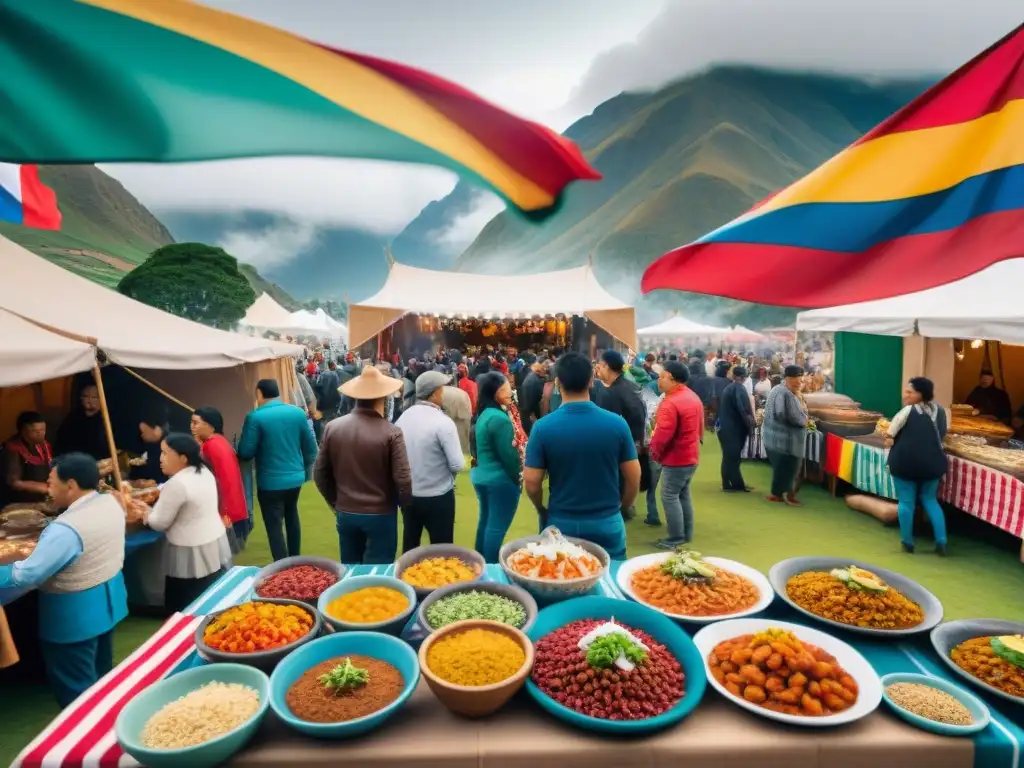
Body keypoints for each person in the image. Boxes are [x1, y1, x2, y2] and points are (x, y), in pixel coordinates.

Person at [0, 453, 127, 706]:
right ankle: (107, 725)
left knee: (76, 693)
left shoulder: (66, 529)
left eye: (51, 482)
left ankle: (87, 739)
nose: (48, 488)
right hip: (107, 604)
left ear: (71, 485)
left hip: (74, 618)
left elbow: (29, 574)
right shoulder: (111, 503)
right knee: (100, 678)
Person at [523, 352, 639, 559]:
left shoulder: (542, 428)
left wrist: (541, 508)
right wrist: (623, 507)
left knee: (563, 580)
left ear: (558, 383)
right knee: (610, 579)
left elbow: (531, 482)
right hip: (607, 520)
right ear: (591, 381)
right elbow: (633, 476)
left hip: (562, 521)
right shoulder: (617, 424)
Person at [313, 366, 412, 563]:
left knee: (350, 570)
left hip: (347, 513)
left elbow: (320, 474)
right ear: (382, 398)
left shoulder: (333, 427)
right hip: (381, 514)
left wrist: (337, 502)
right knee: (378, 573)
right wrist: (403, 503)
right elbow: (403, 479)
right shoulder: (391, 432)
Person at [141, 434, 232, 612]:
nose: (161, 458)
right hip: (212, 541)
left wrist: (145, 513)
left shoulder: (177, 484)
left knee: (186, 604)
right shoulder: (204, 472)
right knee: (211, 594)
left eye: (165, 453)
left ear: (183, 458)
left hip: (188, 551)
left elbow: (159, 523)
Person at [236, 379, 318, 561]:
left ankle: (282, 567)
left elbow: (245, 452)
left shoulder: (255, 417)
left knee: (274, 525)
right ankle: (295, 560)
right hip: (295, 478)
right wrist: (303, 471)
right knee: (291, 515)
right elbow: (311, 449)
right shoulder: (297, 413)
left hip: (270, 482)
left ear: (259, 394)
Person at [395, 371, 465, 552]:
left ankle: (406, 580)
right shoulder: (443, 422)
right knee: (442, 550)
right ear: (434, 394)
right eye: (442, 390)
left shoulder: (403, 417)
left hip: (409, 495)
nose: (444, 394)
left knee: (410, 546)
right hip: (438, 496)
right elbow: (457, 464)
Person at [886, 377, 949, 555]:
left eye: (910, 392)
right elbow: (942, 433)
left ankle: (908, 542)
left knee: (906, 501)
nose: (906, 395)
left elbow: (890, 433)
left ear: (921, 394)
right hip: (933, 463)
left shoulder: (907, 411)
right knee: (930, 500)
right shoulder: (941, 410)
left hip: (906, 463)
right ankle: (941, 541)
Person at [649, 362, 704, 549]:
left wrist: (654, 452)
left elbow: (662, 433)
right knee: (682, 494)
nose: (659, 379)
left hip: (676, 458)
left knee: (669, 495)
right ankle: (685, 533)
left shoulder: (670, 402)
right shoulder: (692, 396)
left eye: (663, 376)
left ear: (672, 378)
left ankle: (675, 537)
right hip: (691, 455)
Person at [471, 373, 525, 561]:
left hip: (483, 476)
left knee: (486, 523)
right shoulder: (499, 419)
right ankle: (491, 567)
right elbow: (509, 457)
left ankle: (480, 563)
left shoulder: (485, 414)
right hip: (499, 481)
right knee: (496, 527)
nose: (511, 390)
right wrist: (518, 477)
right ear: (496, 392)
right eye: (506, 387)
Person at [595, 350, 646, 522]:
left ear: (607, 367)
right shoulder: (629, 386)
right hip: (633, 441)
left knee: (617, 478)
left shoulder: (611, 393)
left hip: (618, 444)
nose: (597, 369)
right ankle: (626, 508)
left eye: (600, 365)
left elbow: (607, 424)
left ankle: (620, 510)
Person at [191, 406, 250, 548]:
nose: (192, 427)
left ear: (209, 426)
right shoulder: (221, 442)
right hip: (236, 510)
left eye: (195, 423)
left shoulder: (209, 446)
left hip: (225, 513)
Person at [763, 365, 808, 506]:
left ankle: (776, 494)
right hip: (786, 441)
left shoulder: (777, 389)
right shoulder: (786, 394)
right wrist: (804, 421)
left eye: (800, 381)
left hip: (774, 439)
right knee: (790, 469)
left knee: (780, 469)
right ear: (787, 379)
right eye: (796, 380)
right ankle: (788, 496)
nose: (798, 383)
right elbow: (788, 416)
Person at [717, 366, 756, 492]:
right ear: (744, 377)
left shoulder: (730, 387)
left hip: (726, 427)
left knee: (729, 457)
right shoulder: (739, 388)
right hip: (733, 429)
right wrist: (750, 426)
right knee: (733, 457)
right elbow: (743, 411)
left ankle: (729, 483)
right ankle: (735, 485)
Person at [3, 411, 52, 504]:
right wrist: (43, 487)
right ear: (23, 431)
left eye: (43, 430)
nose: (40, 434)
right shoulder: (12, 448)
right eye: (35, 431)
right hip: (20, 501)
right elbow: (14, 483)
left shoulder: (43, 444)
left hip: (42, 498)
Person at [54, 382, 110, 459]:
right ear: (81, 398)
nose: (89, 400)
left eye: (94, 397)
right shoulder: (73, 417)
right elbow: (62, 438)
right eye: (86, 396)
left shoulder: (106, 420)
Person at [132, 410, 168, 484]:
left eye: (143, 432)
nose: (142, 435)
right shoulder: (151, 445)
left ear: (156, 430)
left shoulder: (169, 445)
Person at [441, 383, 473, 454]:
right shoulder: (462, 392)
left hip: (447, 419)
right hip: (463, 414)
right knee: (464, 442)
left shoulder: (438, 393)